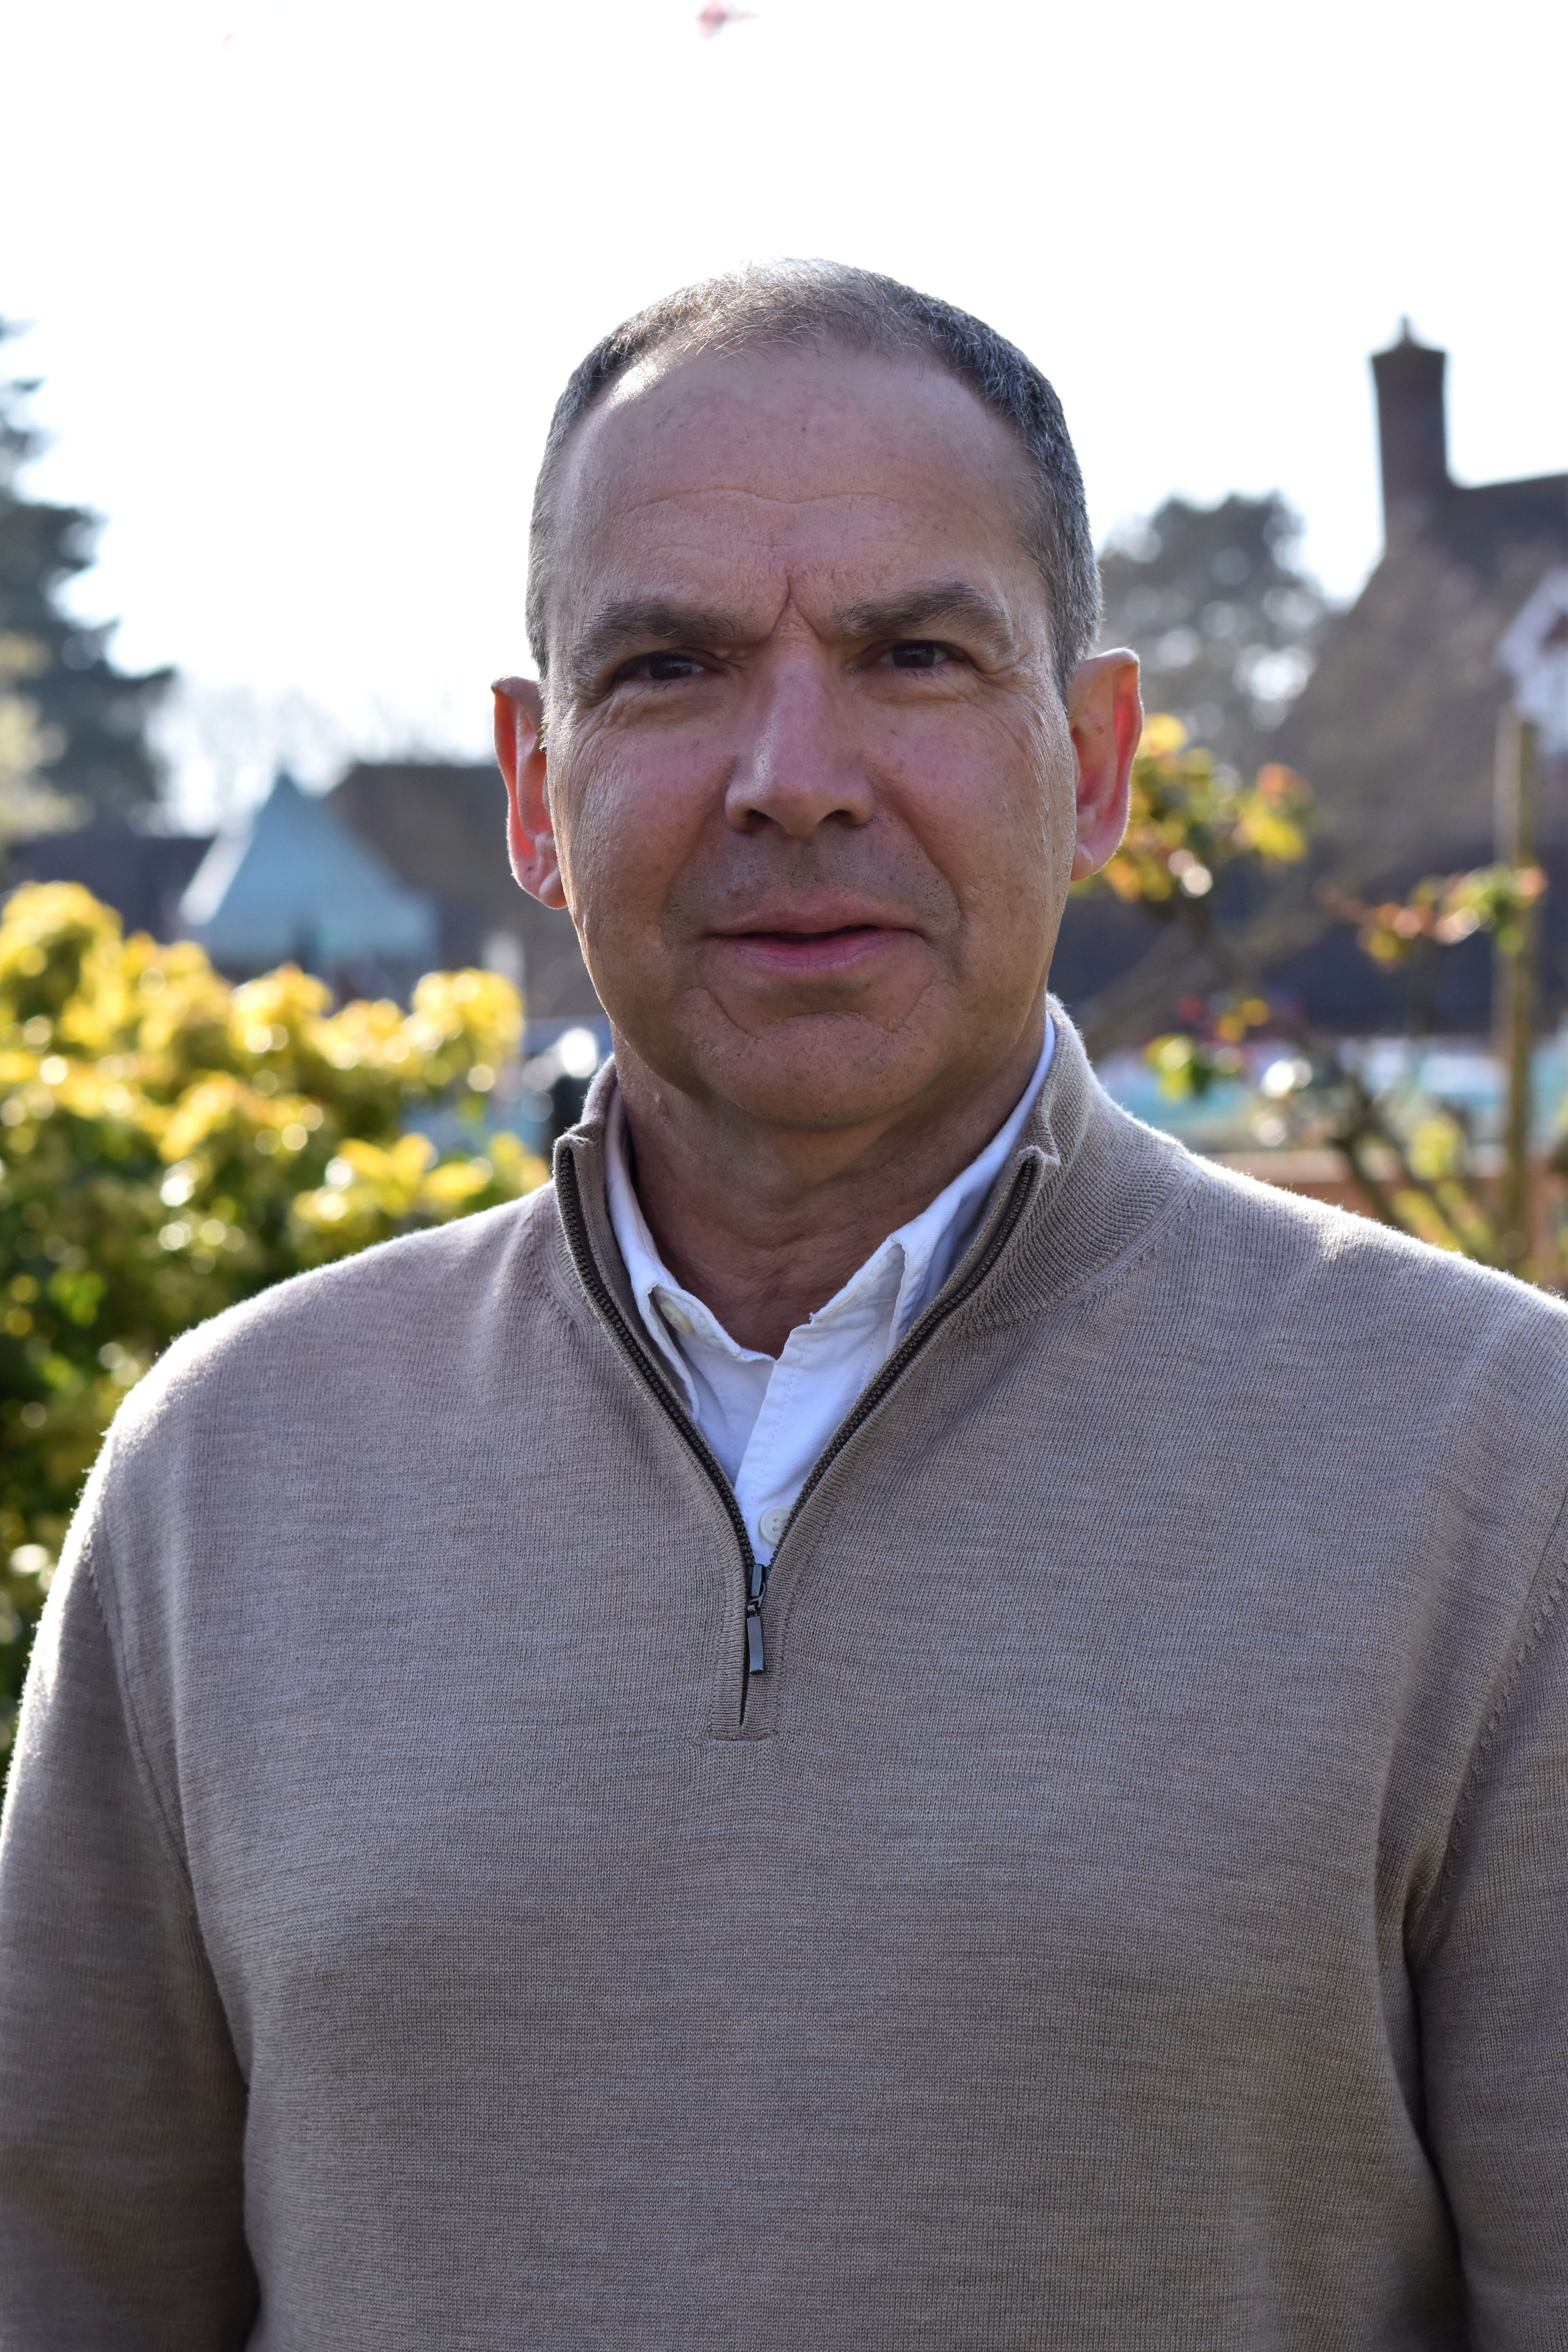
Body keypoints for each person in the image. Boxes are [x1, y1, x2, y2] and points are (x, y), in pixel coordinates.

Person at [2, 262, 1566, 2350]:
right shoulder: (232, 1475)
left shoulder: (1492, 1466)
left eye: (915, 653)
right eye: (672, 666)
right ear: (531, 786)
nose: (794, 773)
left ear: (1095, 761)